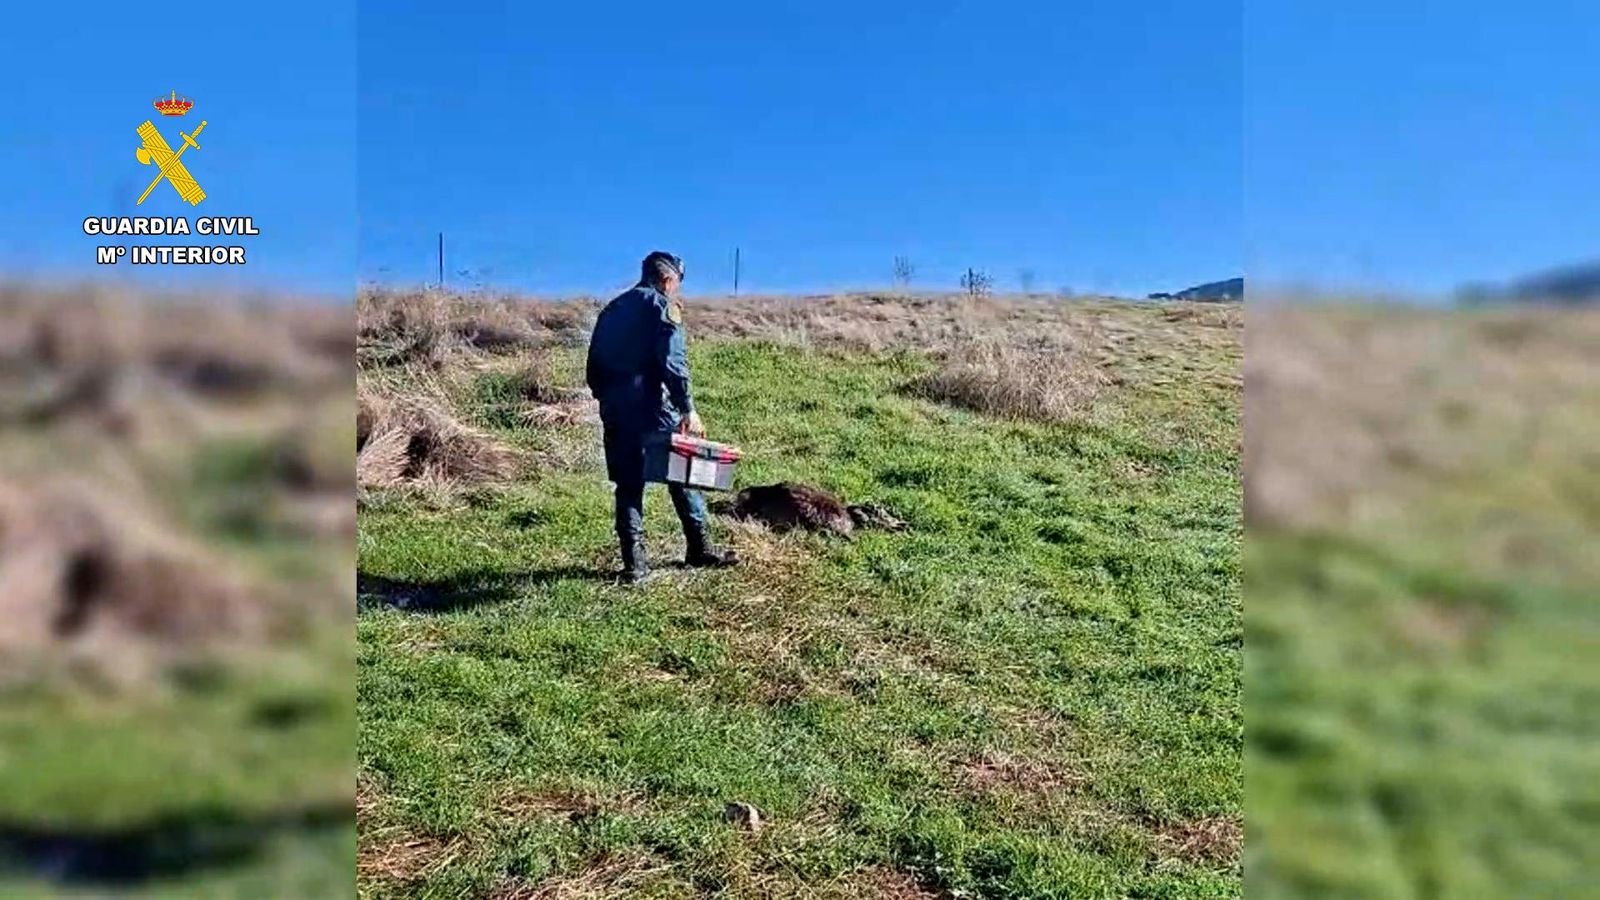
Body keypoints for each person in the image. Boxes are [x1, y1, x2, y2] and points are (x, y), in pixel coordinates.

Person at [585, 251, 738, 583]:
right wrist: (687, 409)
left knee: (627, 484)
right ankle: (700, 548)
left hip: (614, 409)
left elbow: (593, 369)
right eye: (677, 285)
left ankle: (634, 565)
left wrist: (609, 400)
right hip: (654, 407)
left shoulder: (611, 310)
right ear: (669, 280)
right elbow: (673, 362)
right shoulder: (662, 307)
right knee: (682, 472)